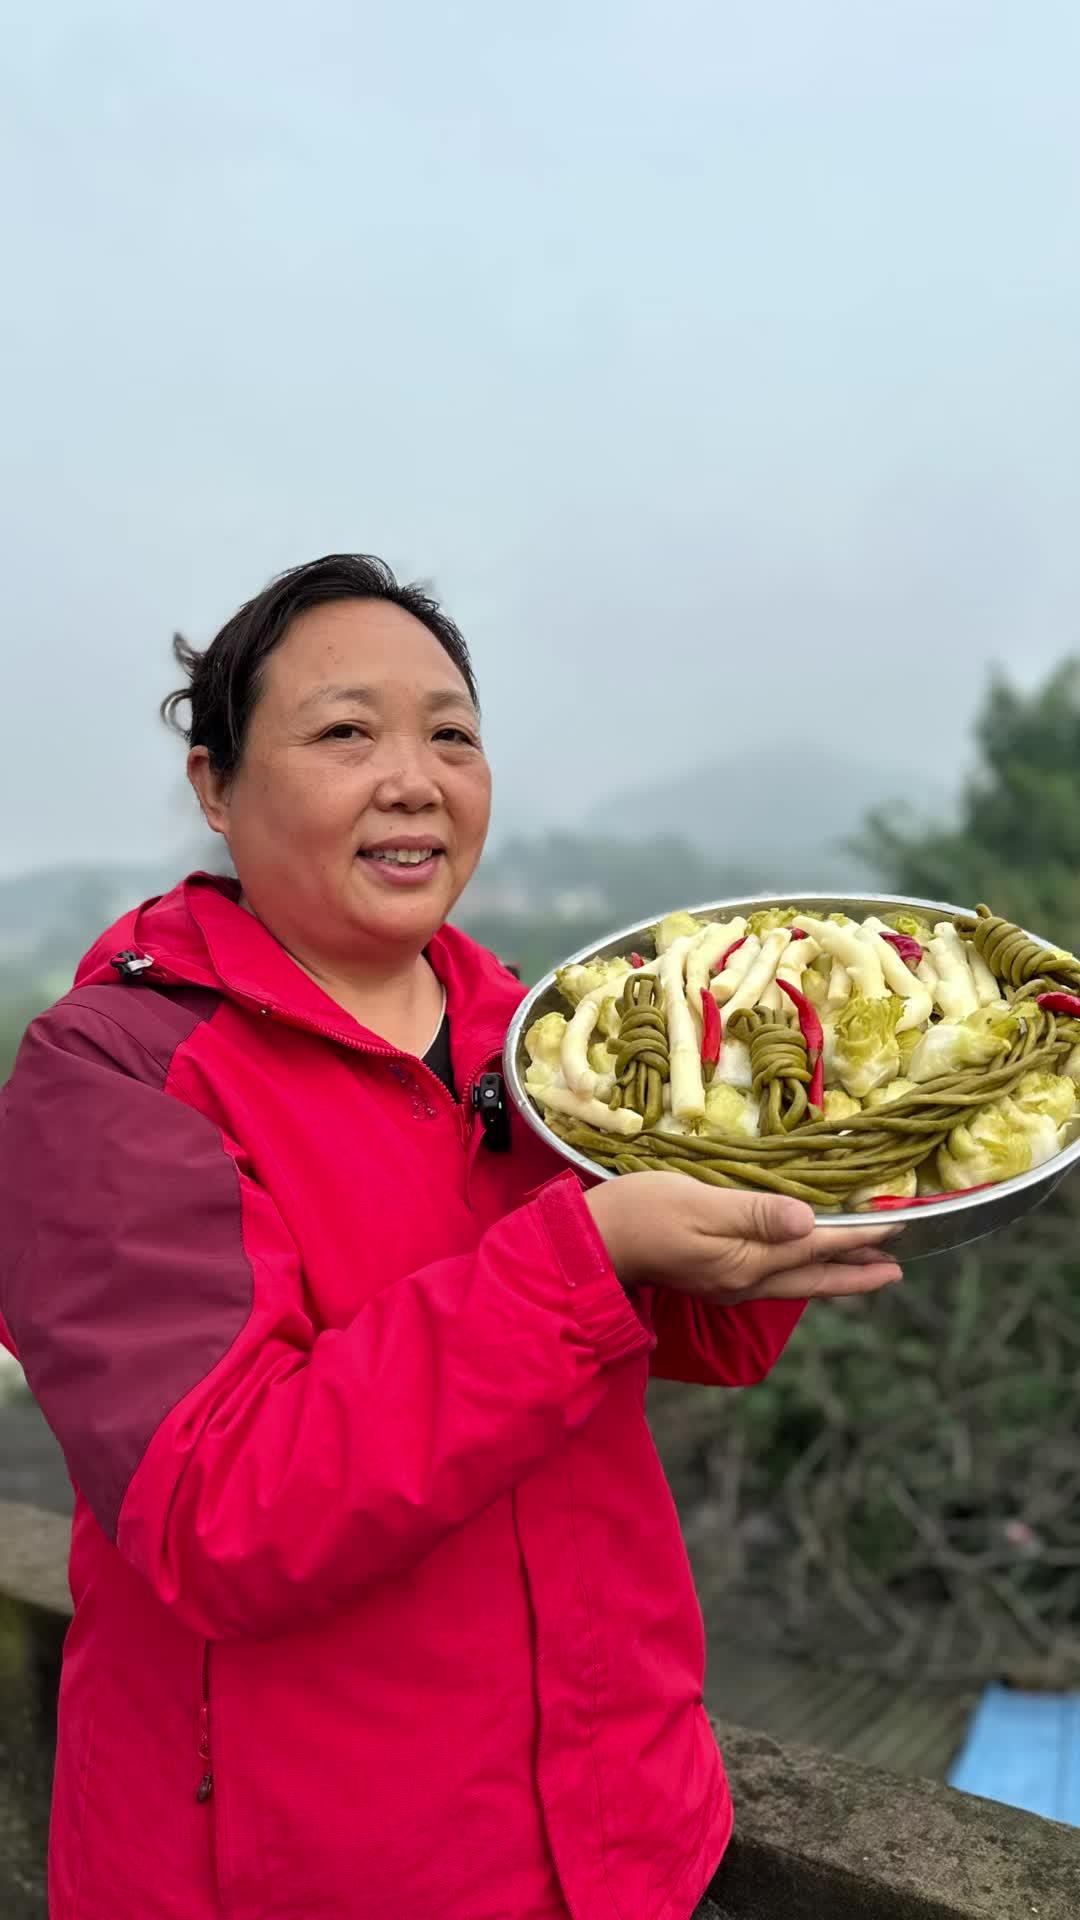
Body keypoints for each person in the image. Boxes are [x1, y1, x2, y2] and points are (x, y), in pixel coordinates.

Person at [0, 555, 901, 1920]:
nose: (414, 778)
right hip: (310, 1876)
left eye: (453, 735)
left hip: (631, 1842)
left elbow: (693, 1332)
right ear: (215, 785)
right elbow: (217, 1509)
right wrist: (586, 1254)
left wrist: (798, 1160)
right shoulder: (114, 1077)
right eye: (346, 732)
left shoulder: (542, 1037)